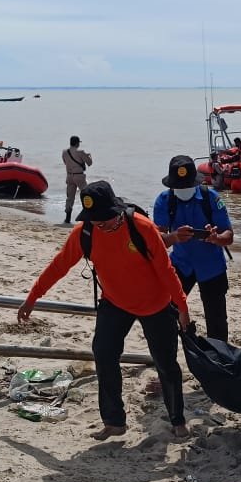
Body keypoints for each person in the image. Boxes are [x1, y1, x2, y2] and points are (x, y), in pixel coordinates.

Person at [18, 180, 191, 440]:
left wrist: (182, 306)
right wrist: (33, 297)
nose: (102, 226)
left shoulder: (142, 228)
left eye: (106, 220)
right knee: (104, 354)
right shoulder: (85, 232)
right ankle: (114, 421)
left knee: (166, 363)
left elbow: (166, 271)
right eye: (96, 221)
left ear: (117, 210)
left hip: (155, 304)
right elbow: (59, 265)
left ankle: (177, 419)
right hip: (115, 302)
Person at [153, 155, 234, 341]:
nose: (183, 191)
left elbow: (229, 236)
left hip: (212, 267)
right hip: (180, 265)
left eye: (187, 187)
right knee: (167, 312)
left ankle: (218, 353)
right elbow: (156, 242)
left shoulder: (211, 198)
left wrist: (216, 238)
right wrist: (174, 237)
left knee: (217, 320)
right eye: (179, 187)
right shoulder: (164, 200)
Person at [62, 136, 93, 223]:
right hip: (79, 176)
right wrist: (89, 156)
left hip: (69, 176)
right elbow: (89, 163)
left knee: (70, 197)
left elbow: (65, 162)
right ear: (77, 143)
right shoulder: (81, 152)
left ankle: (67, 218)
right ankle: (88, 215)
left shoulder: (65, 152)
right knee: (86, 195)